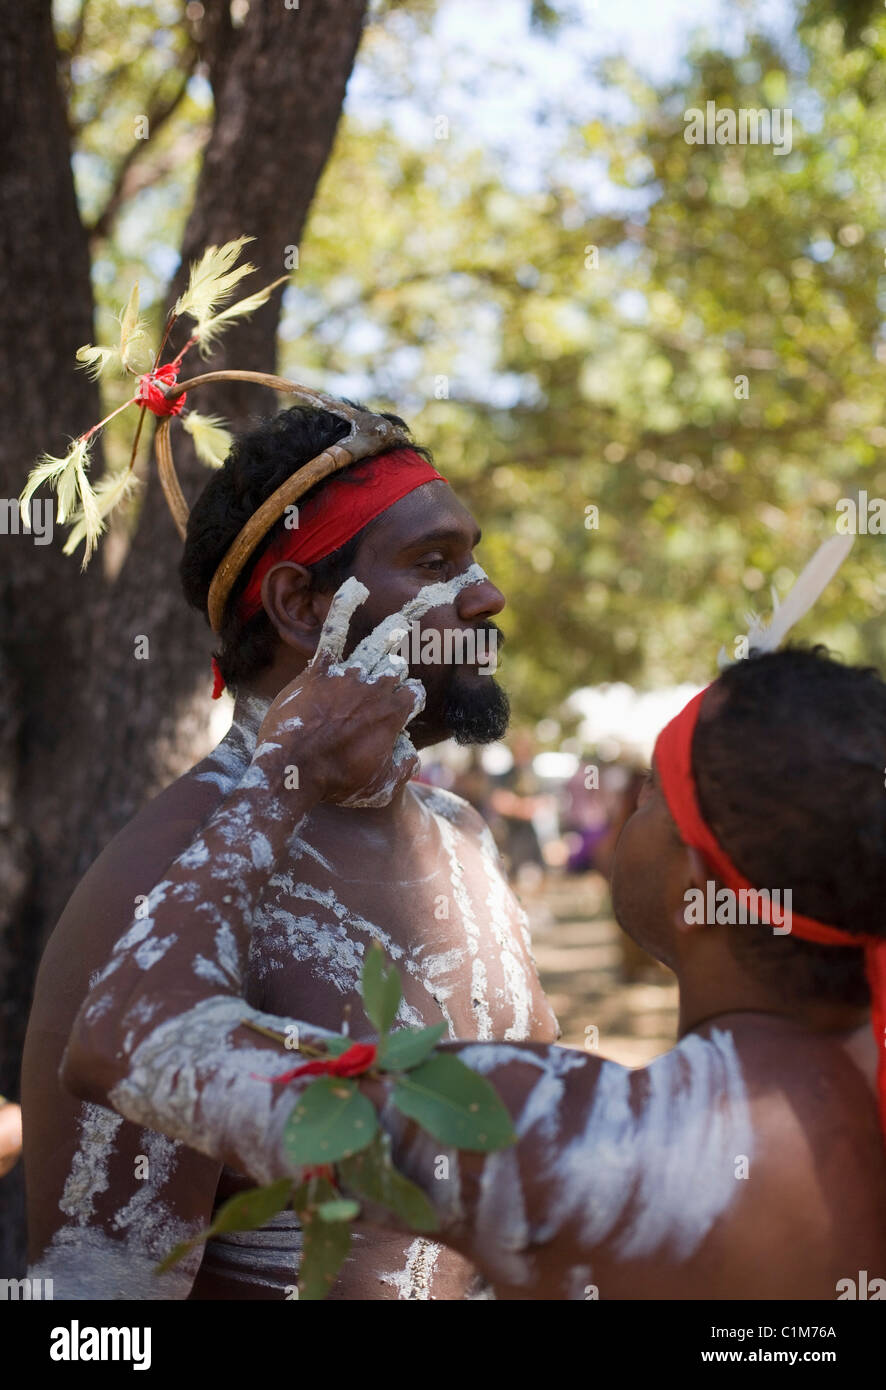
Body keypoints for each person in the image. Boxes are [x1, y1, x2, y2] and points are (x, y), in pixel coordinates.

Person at [62, 645, 886, 1299]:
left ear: (698, 889)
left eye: (649, 803)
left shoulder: (573, 1133)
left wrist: (284, 773)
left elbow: (125, 1038)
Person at [22, 403, 558, 1301]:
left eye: (471, 553)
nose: (485, 593)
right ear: (303, 606)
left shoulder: (464, 840)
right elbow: (97, 1309)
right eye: (435, 563)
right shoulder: (169, 882)